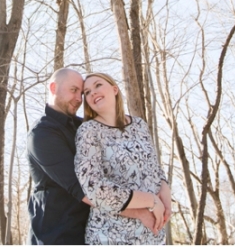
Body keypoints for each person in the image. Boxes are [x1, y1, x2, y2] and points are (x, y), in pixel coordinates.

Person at [27, 68, 155, 245]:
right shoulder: (42, 135)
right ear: (53, 87)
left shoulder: (85, 126)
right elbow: (84, 189)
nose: (79, 99)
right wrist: (140, 212)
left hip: (94, 231)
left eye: (82, 93)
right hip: (57, 235)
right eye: (74, 90)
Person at [75, 72, 172, 245]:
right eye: (87, 92)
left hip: (152, 234)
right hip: (111, 235)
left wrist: (165, 189)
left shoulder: (139, 125)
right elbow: (94, 188)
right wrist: (150, 200)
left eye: (98, 85)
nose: (93, 93)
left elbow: (153, 168)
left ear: (114, 89)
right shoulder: (88, 131)